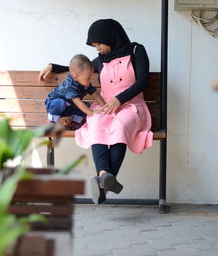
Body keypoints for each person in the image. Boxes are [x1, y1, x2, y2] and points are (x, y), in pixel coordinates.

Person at [39, 19, 153, 204]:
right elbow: (77, 69)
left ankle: (102, 185)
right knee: (95, 123)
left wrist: (119, 100)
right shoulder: (101, 60)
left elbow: (143, 82)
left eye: (98, 44)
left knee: (121, 125)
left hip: (131, 105)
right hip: (106, 105)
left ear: (110, 37)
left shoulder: (136, 51)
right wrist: (53, 66)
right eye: (94, 46)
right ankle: (104, 176)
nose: (97, 49)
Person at [44, 54, 105, 130]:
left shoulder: (84, 82)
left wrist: (104, 106)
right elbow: (78, 102)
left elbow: (95, 94)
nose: (90, 80)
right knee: (60, 103)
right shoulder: (69, 85)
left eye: (91, 77)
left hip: (68, 107)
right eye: (88, 78)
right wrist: (92, 113)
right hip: (54, 104)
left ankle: (74, 123)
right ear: (75, 77)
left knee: (86, 105)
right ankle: (52, 122)